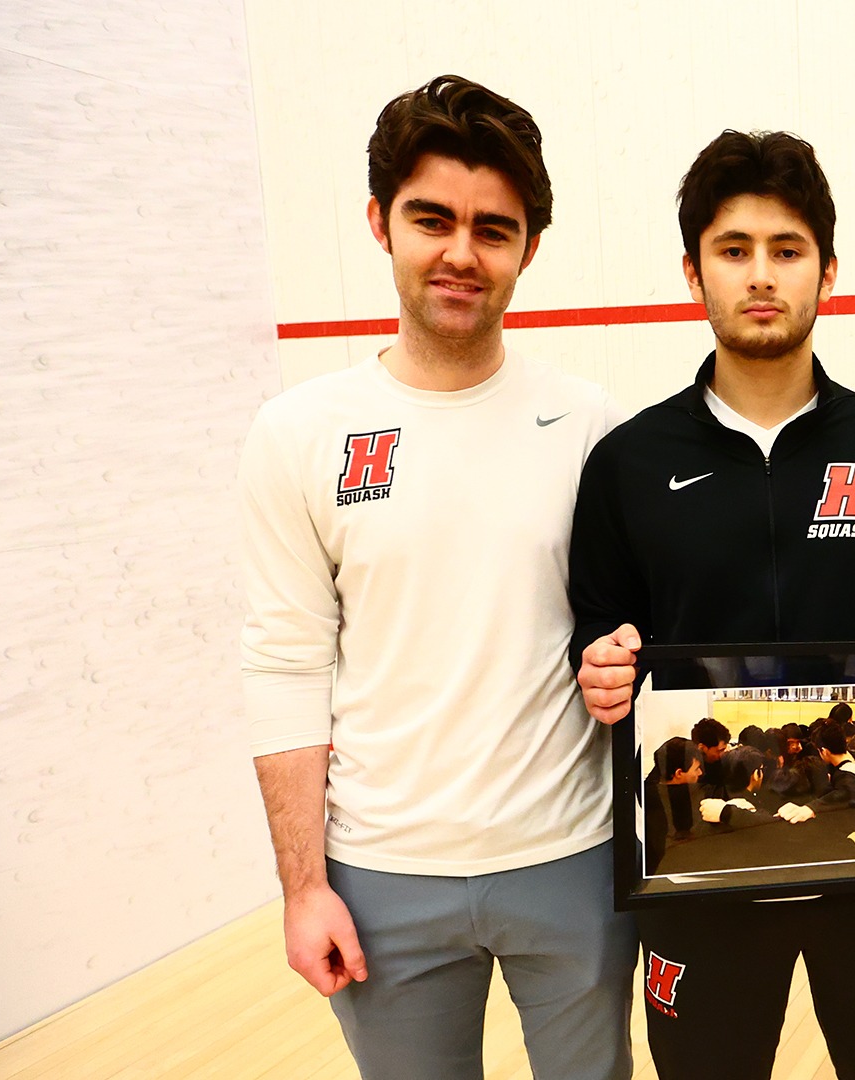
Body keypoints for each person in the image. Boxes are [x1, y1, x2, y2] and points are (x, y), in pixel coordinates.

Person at [238, 75, 632, 1080]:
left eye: (493, 229)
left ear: (528, 249)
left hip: (573, 859)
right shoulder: (299, 435)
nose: (462, 253)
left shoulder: (594, 428)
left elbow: (631, 631)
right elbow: (284, 666)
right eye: (432, 219)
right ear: (380, 223)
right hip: (381, 877)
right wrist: (302, 886)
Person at [568, 129, 855, 1080]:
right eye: (734, 249)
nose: (761, 275)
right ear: (693, 271)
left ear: (827, 272)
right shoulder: (630, 460)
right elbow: (596, 626)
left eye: (786, 251)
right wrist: (599, 664)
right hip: (699, 860)